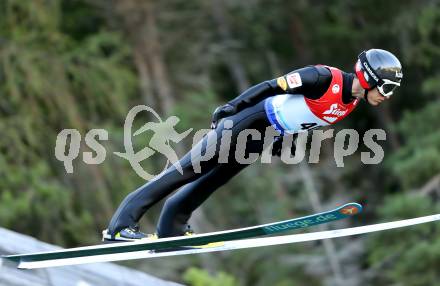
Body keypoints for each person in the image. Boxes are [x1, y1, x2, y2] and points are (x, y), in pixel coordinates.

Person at [102, 48, 403, 242]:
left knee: (212, 181)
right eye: (386, 87)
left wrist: (279, 142)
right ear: (368, 76)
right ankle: (119, 226)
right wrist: (231, 107)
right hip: (248, 120)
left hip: (265, 134)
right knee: (187, 170)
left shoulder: (350, 103)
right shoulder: (323, 78)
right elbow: (272, 86)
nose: (387, 95)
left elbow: (303, 119)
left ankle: (171, 228)